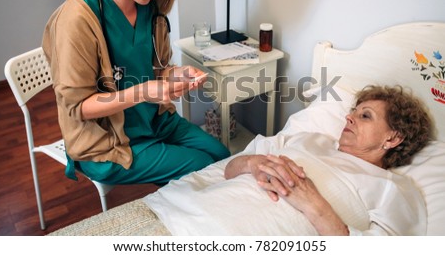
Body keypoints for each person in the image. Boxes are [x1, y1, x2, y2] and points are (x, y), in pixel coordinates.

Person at [42, 0, 230, 185]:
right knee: (203, 168)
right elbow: (78, 108)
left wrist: (176, 75)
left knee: (222, 156)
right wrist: (142, 92)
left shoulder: (149, 9)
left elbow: (157, 70)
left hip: (156, 121)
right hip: (106, 142)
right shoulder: (76, 20)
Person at [142, 85, 434, 235]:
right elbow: (229, 168)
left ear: (393, 139)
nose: (349, 116)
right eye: (354, 110)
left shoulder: (394, 190)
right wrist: (251, 163)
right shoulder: (308, 139)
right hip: (190, 215)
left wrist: (314, 204)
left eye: (364, 115)